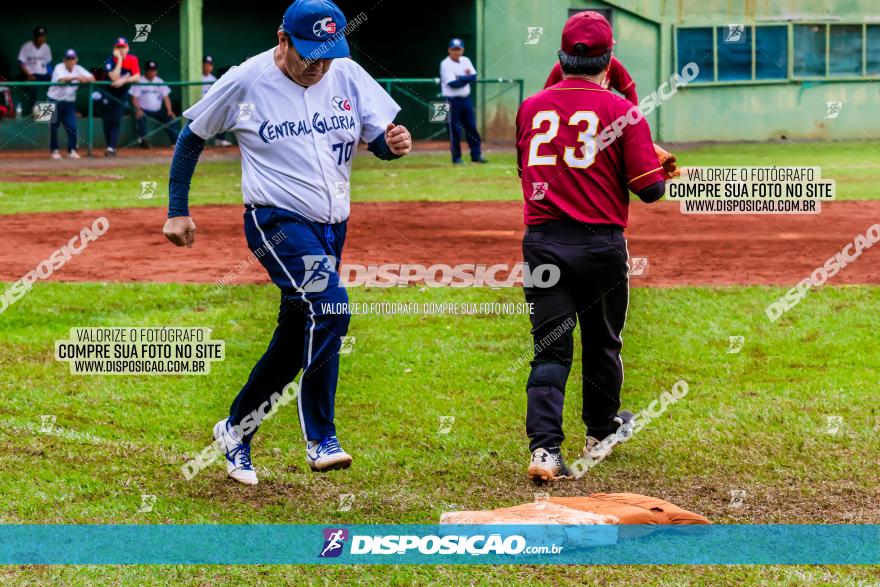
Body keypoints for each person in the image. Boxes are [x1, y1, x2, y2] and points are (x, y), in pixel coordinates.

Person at [161, 0, 412, 486]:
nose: (318, 65)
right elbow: (192, 137)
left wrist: (390, 145)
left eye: (327, 53)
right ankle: (321, 436)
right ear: (282, 40)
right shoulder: (245, 80)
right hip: (276, 222)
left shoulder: (347, 74)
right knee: (333, 309)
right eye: (308, 54)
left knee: (297, 333)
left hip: (331, 226)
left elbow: (375, 136)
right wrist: (177, 209)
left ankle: (235, 429)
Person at [515, 11, 669, 483]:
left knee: (549, 348)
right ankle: (600, 431)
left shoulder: (530, 107)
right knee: (602, 342)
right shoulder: (623, 111)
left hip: (542, 243)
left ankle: (544, 452)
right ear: (609, 60)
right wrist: (660, 167)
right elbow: (649, 190)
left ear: (561, 57)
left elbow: (526, 173)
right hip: (600, 245)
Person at [439, 38, 486, 164]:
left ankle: (476, 156)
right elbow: (453, 84)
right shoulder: (445, 63)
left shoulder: (466, 60)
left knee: (471, 128)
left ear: (462, 49)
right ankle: (457, 158)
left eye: (458, 49)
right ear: (449, 50)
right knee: (454, 131)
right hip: (450, 101)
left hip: (466, 99)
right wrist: (466, 79)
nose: (456, 52)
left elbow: (474, 76)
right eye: (454, 49)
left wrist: (461, 78)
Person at [47, 49, 94, 159]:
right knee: (53, 127)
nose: (70, 61)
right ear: (64, 60)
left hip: (69, 103)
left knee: (72, 126)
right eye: (68, 59)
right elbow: (61, 80)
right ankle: (54, 151)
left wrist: (86, 79)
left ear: (76, 59)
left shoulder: (78, 68)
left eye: (73, 59)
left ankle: (72, 150)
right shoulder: (59, 67)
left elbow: (93, 78)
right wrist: (76, 78)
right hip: (51, 99)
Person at [102, 37, 141, 157]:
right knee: (107, 122)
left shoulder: (133, 59)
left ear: (128, 48)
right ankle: (110, 145)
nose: (121, 50)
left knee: (117, 120)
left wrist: (123, 81)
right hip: (108, 93)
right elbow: (114, 77)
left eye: (123, 47)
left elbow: (137, 76)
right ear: (114, 48)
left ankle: (111, 147)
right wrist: (119, 60)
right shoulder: (109, 60)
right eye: (118, 47)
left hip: (122, 94)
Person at [544, 55, 638, 104]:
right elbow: (545, 96)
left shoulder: (611, 62)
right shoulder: (560, 68)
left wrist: (633, 120)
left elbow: (630, 90)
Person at [131, 60, 179, 148]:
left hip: (158, 110)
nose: (152, 72)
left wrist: (169, 110)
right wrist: (138, 109)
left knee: (170, 117)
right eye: (150, 70)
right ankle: (144, 142)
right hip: (144, 110)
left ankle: (175, 142)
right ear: (146, 70)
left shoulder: (159, 81)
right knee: (140, 116)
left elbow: (166, 97)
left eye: (154, 70)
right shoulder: (139, 81)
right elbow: (134, 98)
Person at [18, 26, 53, 112]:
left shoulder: (46, 47)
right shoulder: (26, 46)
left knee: (55, 85)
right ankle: (35, 110)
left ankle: (48, 111)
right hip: (31, 74)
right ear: (35, 37)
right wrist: (28, 75)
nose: (42, 38)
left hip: (44, 74)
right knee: (33, 86)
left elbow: (48, 63)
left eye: (43, 36)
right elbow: (21, 63)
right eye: (40, 36)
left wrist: (52, 75)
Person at [200, 55, 232, 147]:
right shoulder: (197, 76)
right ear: (202, 65)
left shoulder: (213, 79)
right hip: (200, 106)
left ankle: (220, 139)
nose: (208, 67)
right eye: (206, 64)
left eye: (210, 65)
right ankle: (199, 142)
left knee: (225, 113)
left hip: (211, 106)